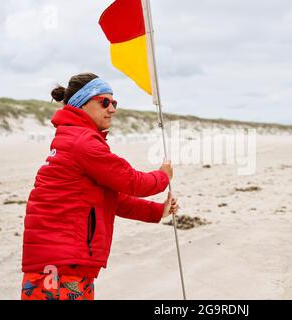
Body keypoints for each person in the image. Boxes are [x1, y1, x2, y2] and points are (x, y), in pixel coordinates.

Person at [20, 72, 178, 300]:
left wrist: (156, 210)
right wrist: (162, 177)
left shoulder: (75, 138)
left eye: (114, 102)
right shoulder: (83, 142)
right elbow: (131, 181)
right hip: (60, 264)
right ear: (82, 105)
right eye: (105, 102)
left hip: (67, 263)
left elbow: (111, 198)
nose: (112, 109)